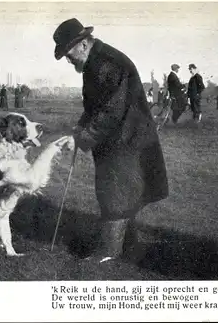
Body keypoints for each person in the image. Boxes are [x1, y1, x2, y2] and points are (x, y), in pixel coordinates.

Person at [53, 18, 169, 263]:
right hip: (119, 137)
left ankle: (108, 252)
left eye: (68, 52)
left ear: (83, 44)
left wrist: (84, 136)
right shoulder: (96, 61)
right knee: (120, 192)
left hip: (126, 140)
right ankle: (125, 246)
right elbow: (95, 105)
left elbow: (111, 110)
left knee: (115, 193)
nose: (68, 59)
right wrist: (82, 125)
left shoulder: (106, 63)